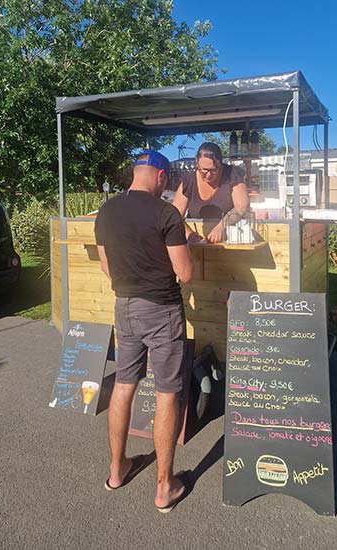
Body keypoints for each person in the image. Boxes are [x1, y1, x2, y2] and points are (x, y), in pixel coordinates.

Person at [94, 149, 194, 513]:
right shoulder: (166, 213)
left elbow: (107, 266)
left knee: (124, 385)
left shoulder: (106, 210)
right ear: (163, 177)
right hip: (163, 310)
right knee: (167, 393)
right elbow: (185, 274)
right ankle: (165, 487)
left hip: (124, 306)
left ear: (137, 172)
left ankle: (117, 469)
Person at [172, 142, 250, 243]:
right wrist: (190, 235)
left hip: (230, 240)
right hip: (195, 243)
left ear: (220, 164)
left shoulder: (232, 174)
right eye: (204, 170)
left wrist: (221, 227)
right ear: (197, 161)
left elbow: (242, 206)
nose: (208, 175)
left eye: (214, 170)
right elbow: (174, 215)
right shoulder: (189, 180)